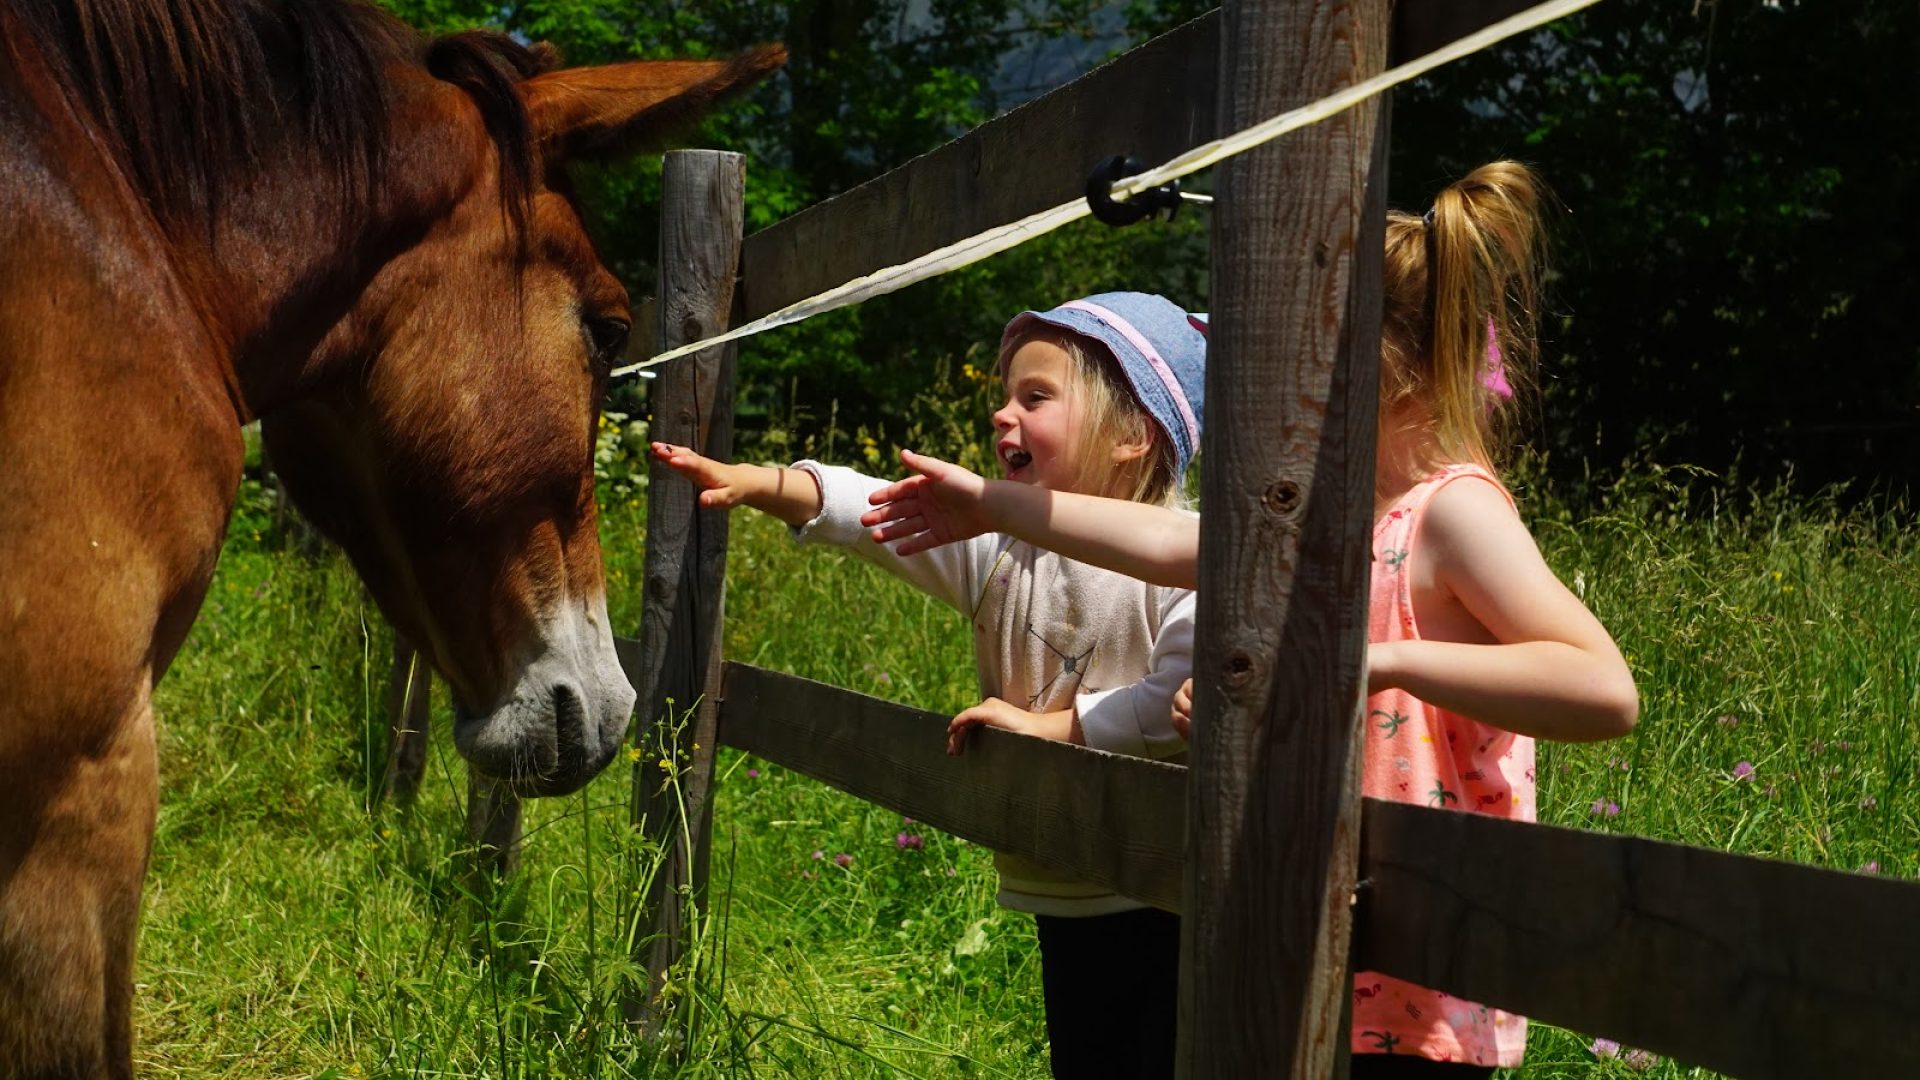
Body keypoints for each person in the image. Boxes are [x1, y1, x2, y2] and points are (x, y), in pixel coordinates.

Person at [861, 162, 1639, 1076]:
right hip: (1295, 931)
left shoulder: (1451, 513)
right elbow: (1155, 540)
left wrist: (1373, 665)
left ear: (1376, 365)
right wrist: (994, 505)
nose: (1259, 389)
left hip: (1420, 954)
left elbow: (1602, 688)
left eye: (1284, 358)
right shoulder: (1314, 515)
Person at [650, 291, 1207, 1079]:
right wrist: (763, 481)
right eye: (1004, 397)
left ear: (1132, 435)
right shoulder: (1002, 553)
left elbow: (1184, 697)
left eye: (1036, 397)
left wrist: (1052, 731)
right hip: (1058, 873)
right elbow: (868, 512)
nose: (1002, 416)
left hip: (1163, 883)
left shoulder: (1184, 556)